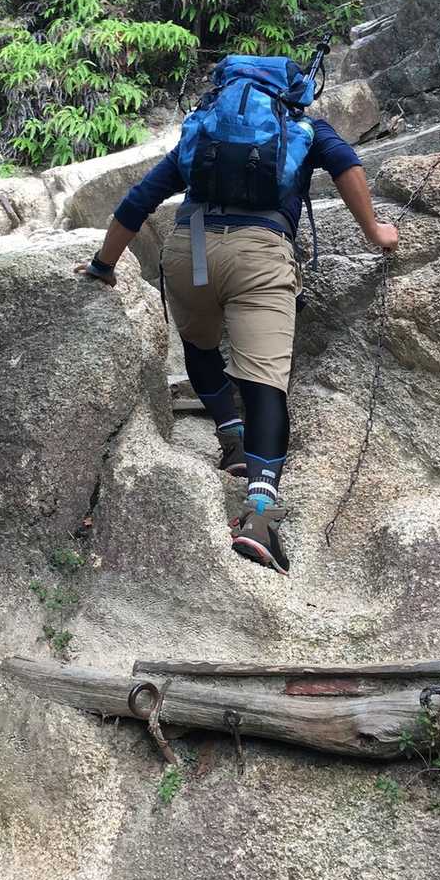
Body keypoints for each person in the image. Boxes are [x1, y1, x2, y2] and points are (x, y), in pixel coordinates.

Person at [78, 107, 398, 575]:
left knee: (198, 344)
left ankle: (232, 439)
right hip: (260, 253)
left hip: (190, 249)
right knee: (265, 382)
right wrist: (375, 230)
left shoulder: (208, 128)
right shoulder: (304, 128)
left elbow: (140, 198)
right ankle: (259, 516)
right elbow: (347, 164)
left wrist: (103, 265)